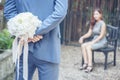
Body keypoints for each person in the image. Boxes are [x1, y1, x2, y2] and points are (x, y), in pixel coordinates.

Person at [4, 0, 68, 80]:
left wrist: (27, 32)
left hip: (25, 44)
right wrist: (33, 32)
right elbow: (59, 12)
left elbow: (9, 11)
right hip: (46, 46)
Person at [79, 8, 107, 73]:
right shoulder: (93, 23)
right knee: (83, 45)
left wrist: (92, 42)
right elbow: (89, 33)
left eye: (97, 14)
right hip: (95, 40)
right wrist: (82, 37)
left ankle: (90, 66)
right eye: (94, 14)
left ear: (100, 15)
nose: (95, 16)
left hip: (102, 41)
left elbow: (101, 35)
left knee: (88, 47)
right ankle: (85, 63)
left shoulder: (103, 24)